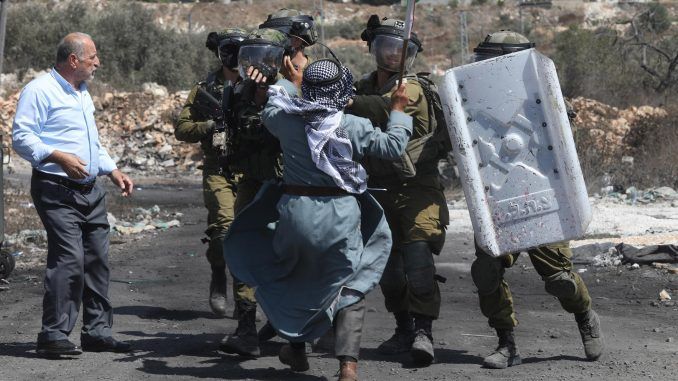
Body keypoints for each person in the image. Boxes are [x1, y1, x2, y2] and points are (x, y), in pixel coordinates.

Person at [223, 57, 412, 381]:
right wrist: (397, 109)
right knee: (352, 284)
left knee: (296, 279)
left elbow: (271, 107)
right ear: (341, 89)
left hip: (296, 212)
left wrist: (289, 83)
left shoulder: (286, 120)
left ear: (307, 88)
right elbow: (393, 146)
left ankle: (296, 349)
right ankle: (347, 366)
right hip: (340, 216)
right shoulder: (352, 126)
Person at [469, 30, 604, 369]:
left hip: (542, 196)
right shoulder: (473, 97)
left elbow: (559, 134)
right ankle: (506, 342)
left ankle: (585, 314)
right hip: (498, 199)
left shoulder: (543, 92)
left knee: (559, 280)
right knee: (487, 271)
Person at [12, 32, 134, 357]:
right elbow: (21, 137)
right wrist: (58, 156)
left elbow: (92, 142)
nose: (98, 62)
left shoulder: (82, 92)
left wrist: (112, 170)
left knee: (97, 259)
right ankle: (53, 334)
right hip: (56, 189)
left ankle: (97, 332)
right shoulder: (39, 90)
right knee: (69, 258)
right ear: (74, 60)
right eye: (93, 56)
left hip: (91, 190)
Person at [176, 28, 286, 357]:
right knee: (232, 235)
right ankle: (246, 323)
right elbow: (182, 127)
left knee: (286, 250)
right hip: (227, 171)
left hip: (278, 179)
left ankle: (286, 324)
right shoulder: (220, 91)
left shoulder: (284, 90)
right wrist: (212, 126)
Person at [346, 16, 449, 366]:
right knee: (388, 267)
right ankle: (403, 325)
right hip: (377, 186)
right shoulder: (360, 85)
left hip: (417, 187)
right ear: (374, 49)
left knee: (418, 259)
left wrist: (344, 101)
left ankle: (423, 331)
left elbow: (384, 107)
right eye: (386, 47)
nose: (392, 56)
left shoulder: (412, 87)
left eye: (400, 49)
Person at [175, 28, 248, 320]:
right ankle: (219, 276)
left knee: (251, 235)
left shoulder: (256, 83)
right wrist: (207, 126)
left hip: (252, 170)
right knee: (224, 230)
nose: (234, 57)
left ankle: (246, 301)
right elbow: (182, 129)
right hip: (219, 169)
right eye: (228, 50)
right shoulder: (205, 88)